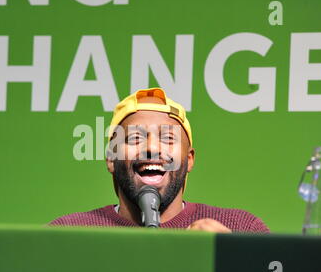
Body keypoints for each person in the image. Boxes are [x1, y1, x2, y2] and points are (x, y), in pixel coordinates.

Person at [49, 88, 269, 233]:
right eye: (135, 138)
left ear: (189, 159)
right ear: (110, 158)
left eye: (167, 137)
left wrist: (237, 260)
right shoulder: (67, 233)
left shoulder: (241, 229)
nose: (152, 148)